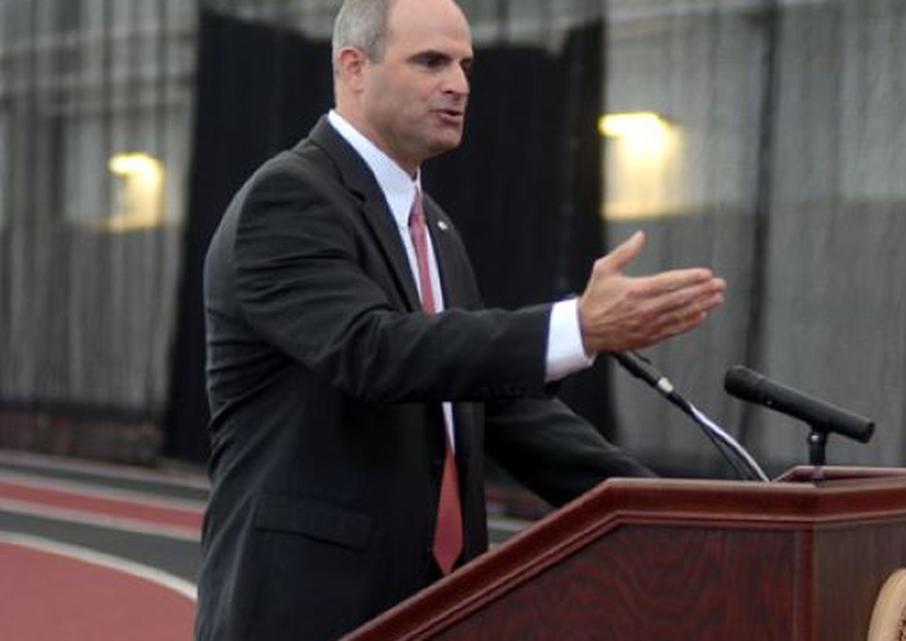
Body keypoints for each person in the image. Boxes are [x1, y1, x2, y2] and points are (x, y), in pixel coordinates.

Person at [194, 0, 726, 638]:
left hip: (440, 607)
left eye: (465, 64)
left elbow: (498, 408)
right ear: (354, 67)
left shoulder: (436, 230)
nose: (459, 84)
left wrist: (671, 510)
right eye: (431, 62)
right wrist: (576, 331)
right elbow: (374, 351)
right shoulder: (287, 198)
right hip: (309, 611)